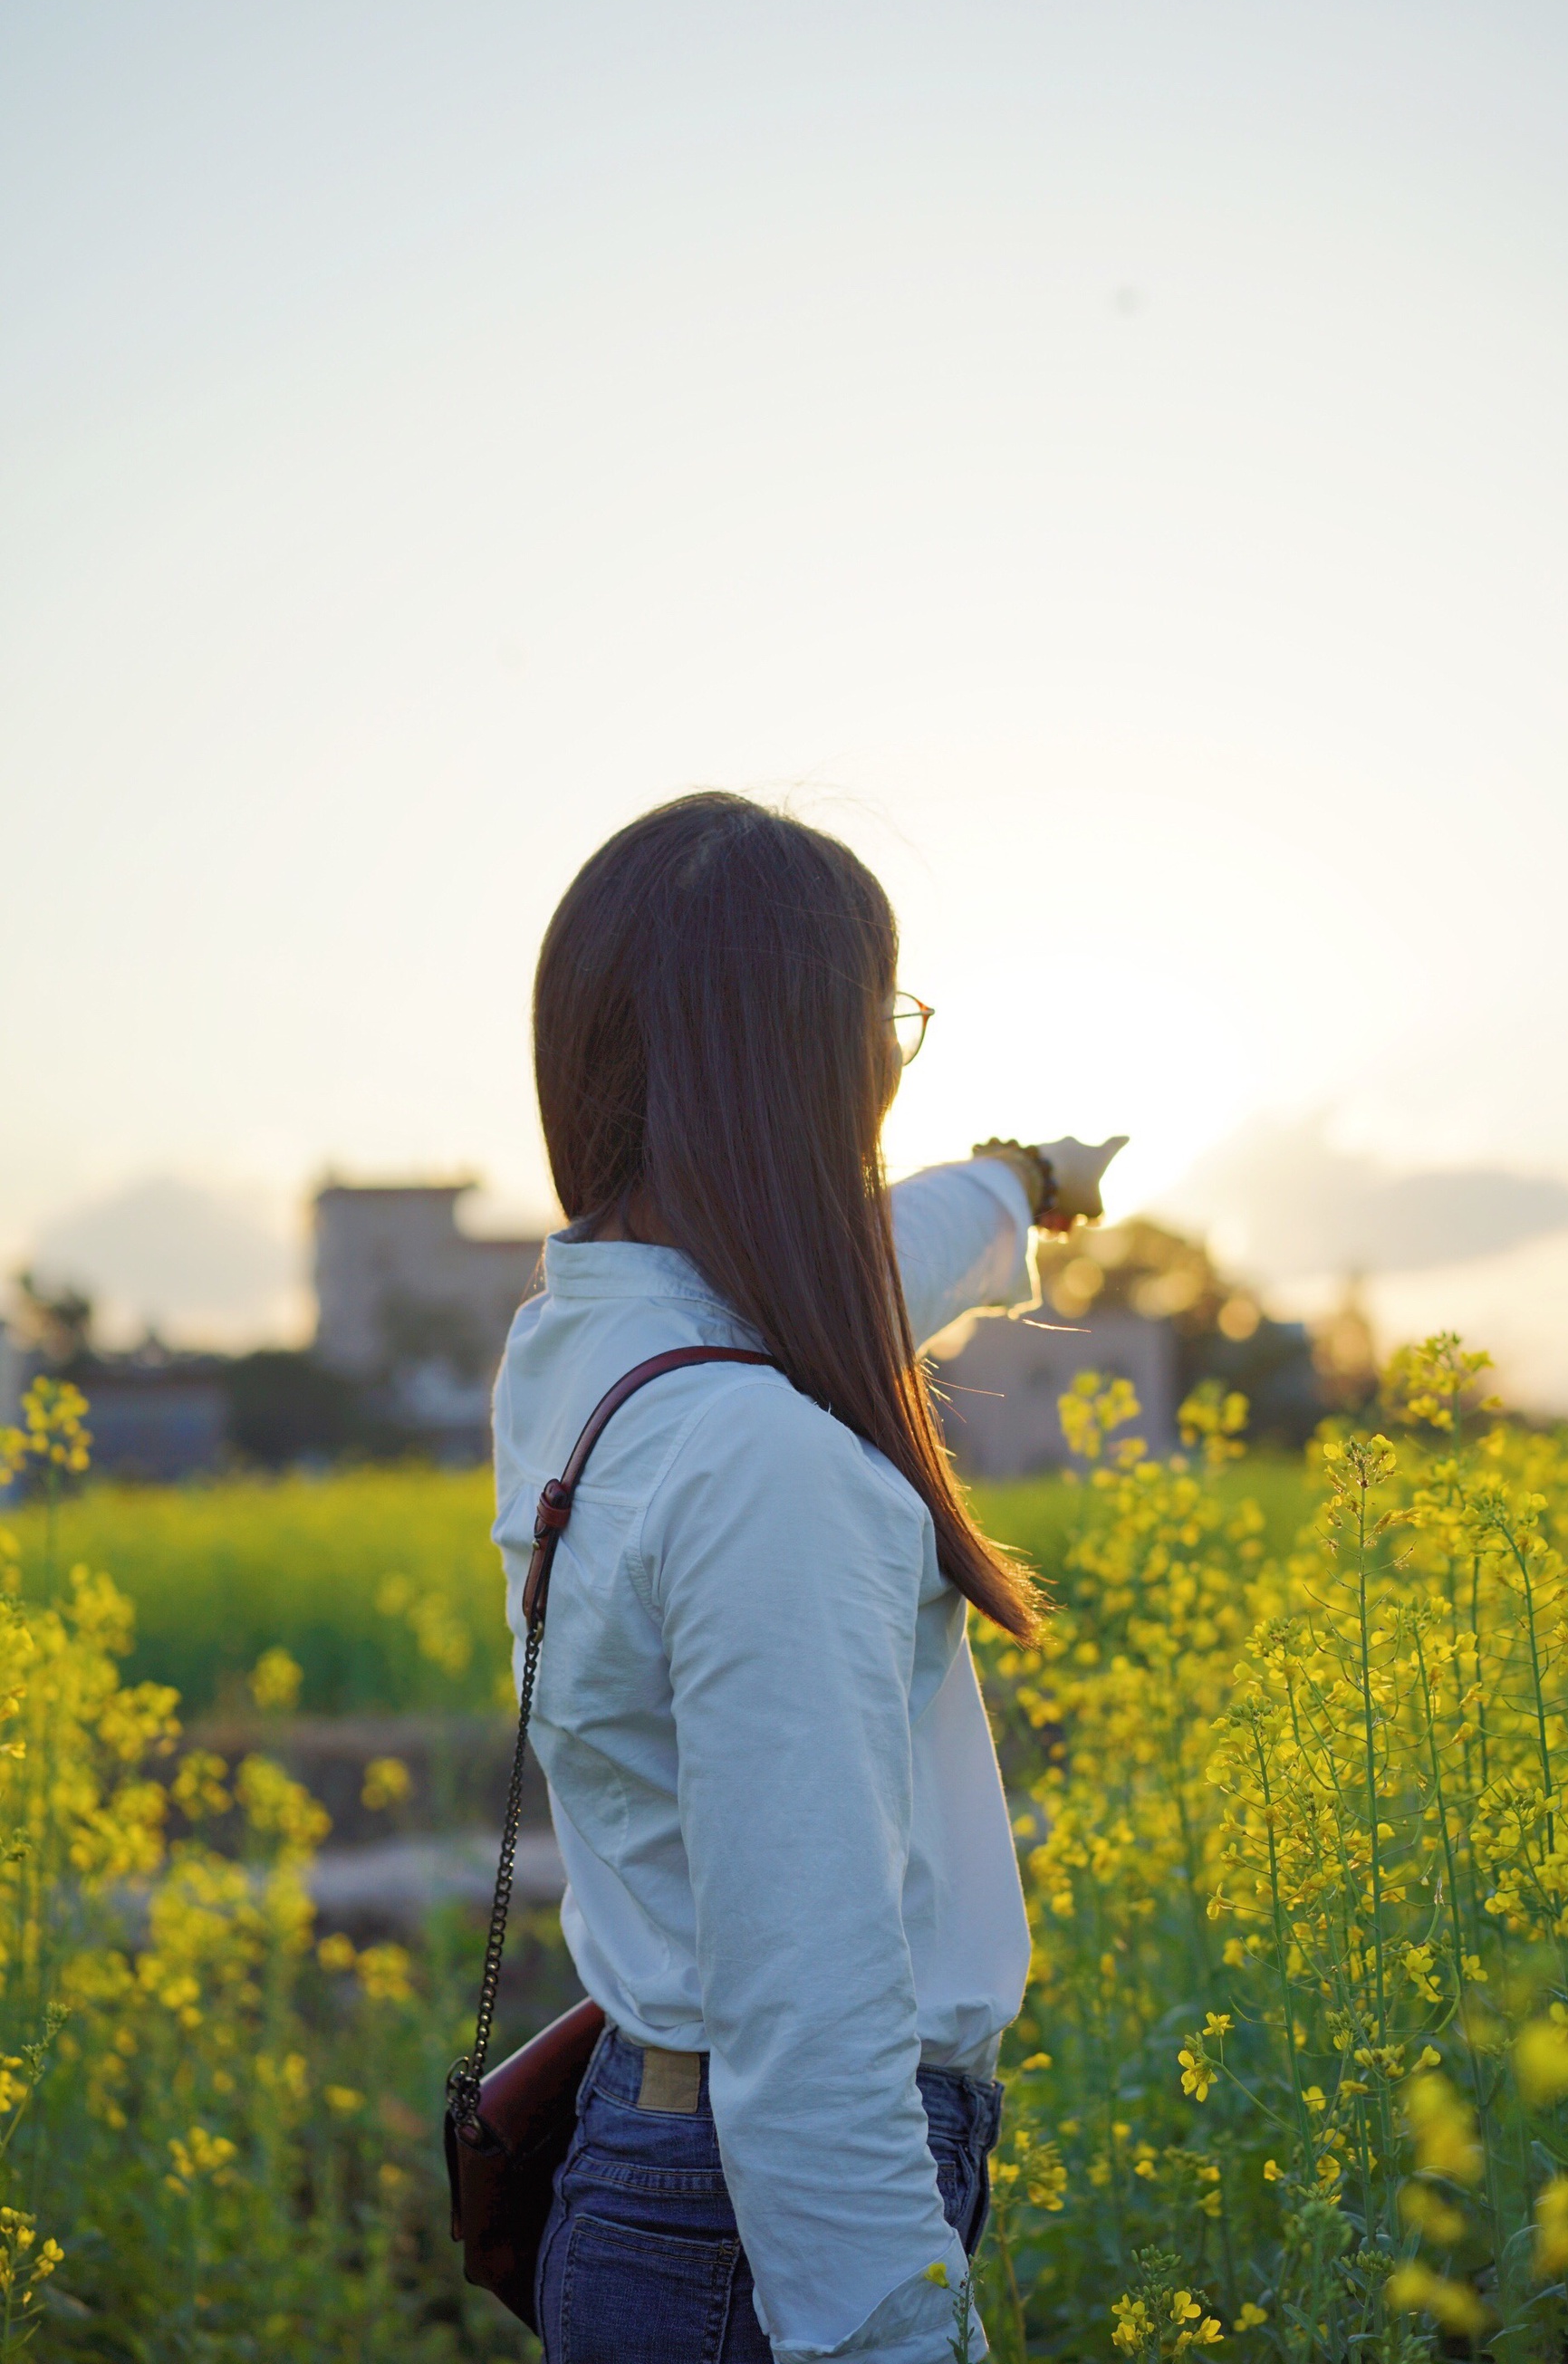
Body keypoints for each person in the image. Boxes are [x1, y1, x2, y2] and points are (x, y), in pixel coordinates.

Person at [493, 793, 1124, 2364]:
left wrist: (1019, 1181)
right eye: (887, 1029)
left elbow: (838, 1269)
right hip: (761, 2237)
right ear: (808, 1064)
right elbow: (812, 2033)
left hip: (656, 2189)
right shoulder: (766, 1468)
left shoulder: (586, 1349)